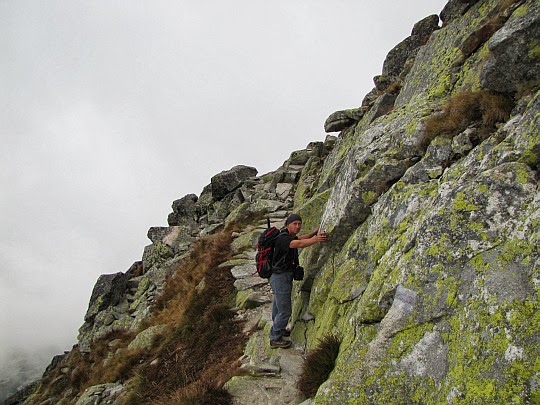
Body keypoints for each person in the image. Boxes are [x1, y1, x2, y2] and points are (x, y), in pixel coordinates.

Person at [269, 213, 328, 349]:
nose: (297, 226)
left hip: (280, 276)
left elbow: (300, 238)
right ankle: (275, 338)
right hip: (280, 277)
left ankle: (279, 328)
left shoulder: (286, 235)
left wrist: (313, 233)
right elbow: (300, 243)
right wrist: (317, 239)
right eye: (294, 224)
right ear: (287, 225)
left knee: (278, 305)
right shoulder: (283, 239)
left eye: (299, 224)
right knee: (285, 310)